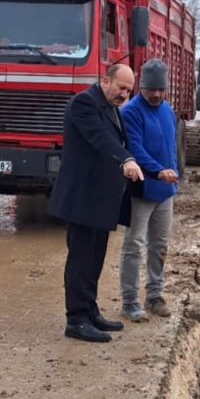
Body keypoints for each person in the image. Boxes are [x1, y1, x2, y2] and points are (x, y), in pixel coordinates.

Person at [50, 64, 145, 343]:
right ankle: (76, 319)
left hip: (101, 200)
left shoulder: (111, 106)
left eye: (129, 90)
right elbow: (100, 139)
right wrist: (125, 159)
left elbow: (115, 137)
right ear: (105, 80)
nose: (124, 95)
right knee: (81, 260)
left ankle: (90, 311)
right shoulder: (84, 104)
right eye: (121, 88)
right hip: (82, 198)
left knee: (95, 259)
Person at [119, 59, 180, 322]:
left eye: (160, 90)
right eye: (149, 90)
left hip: (165, 191)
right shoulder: (131, 112)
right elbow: (135, 149)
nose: (155, 95)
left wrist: (174, 173)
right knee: (134, 245)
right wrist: (159, 171)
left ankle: (155, 295)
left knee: (160, 245)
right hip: (142, 190)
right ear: (140, 87)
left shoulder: (167, 110)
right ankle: (130, 301)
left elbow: (172, 147)